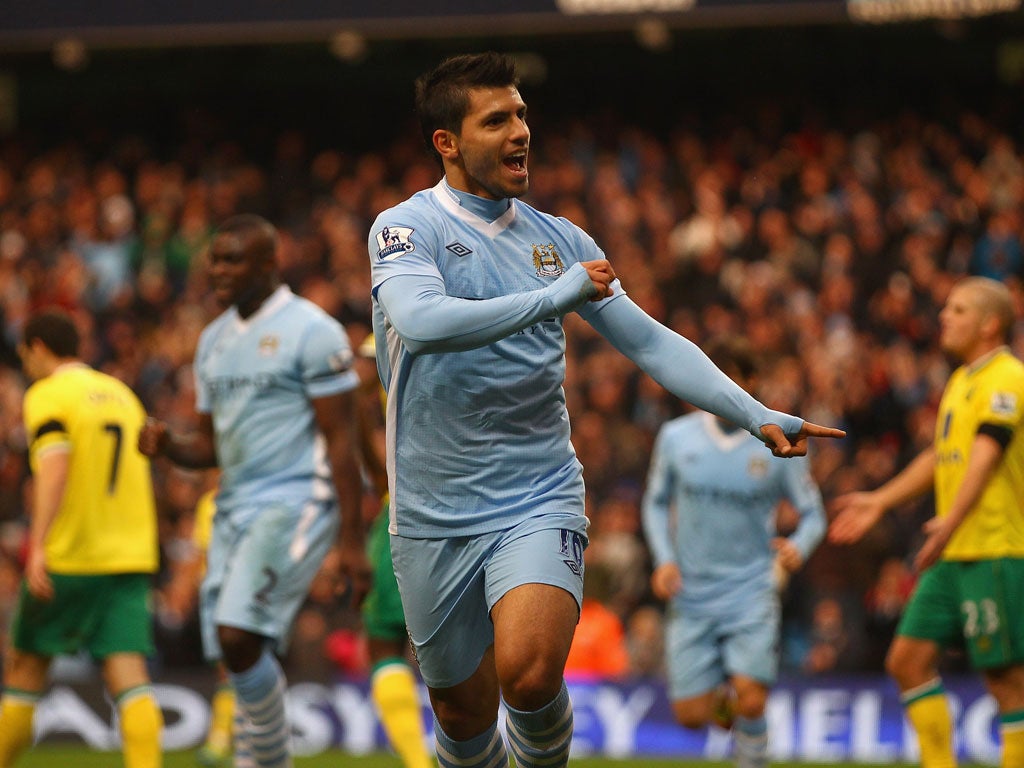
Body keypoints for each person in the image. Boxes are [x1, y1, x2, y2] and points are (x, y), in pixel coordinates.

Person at [366, 51, 844, 768]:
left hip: (535, 493)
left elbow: (650, 342)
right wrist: (557, 298)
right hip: (431, 511)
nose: (521, 130)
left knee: (528, 676)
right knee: (462, 714)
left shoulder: (559, 240)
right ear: (448, 142)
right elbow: (422, 320)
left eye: (522, 113)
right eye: (497, 120)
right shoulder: (405, 229)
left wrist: (753, 412)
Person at [139, 214, 371, 768]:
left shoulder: (311, 330)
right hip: (233, 505)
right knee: (232, 651)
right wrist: (170, 444)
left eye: (233, 259)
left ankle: (265, 759)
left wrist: (352, 542)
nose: (218, 269)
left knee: (239, 634)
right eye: (215, 258)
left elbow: (343, 443)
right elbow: (211, 447)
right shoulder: (213, 340)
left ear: (268, 264)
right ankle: (265, 756)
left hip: (295, 499)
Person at [830, 276, 1024, 768]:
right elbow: (944, 455)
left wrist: (951, 519)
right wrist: (880, 500)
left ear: (990, 323)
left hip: (994, 549)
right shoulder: (962, 380)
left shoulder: (1008, 377)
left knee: (1007, 682)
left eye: (957, 310)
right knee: (906, 662)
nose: (944, 317)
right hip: (954, 551)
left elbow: (986, 454)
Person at [641, 336, 826, 768]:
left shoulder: (776, 439)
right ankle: (727, 697)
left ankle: (750, 750)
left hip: (751, 587)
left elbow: (813, 515)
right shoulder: (675, 437)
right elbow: (654, 502)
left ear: (751, 382)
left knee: (753, 697)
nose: (718, 390)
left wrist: (797, 547)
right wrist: (664, 558)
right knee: (690, 718)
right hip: (691, 589)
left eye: (730, 379)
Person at [0, 310, 163, 768]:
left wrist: (39, 546)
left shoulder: (48, 394)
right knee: (130, 677)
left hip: (71, 555)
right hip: (129, 556)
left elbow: (55, 466)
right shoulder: (122, 395)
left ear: (36, 348)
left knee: (25, 670)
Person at [354, 334, 433, 768]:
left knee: (384, 645)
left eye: (366, 361)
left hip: (400, 521)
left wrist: (359, 419)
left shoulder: (383, 399)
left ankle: (418, 761)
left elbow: (381, 475)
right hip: (458, 515)